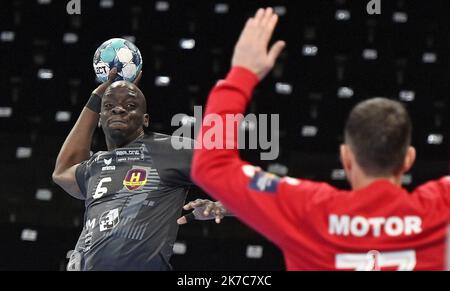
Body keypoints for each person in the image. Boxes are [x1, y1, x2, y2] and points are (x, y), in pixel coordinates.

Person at [191, 7, 450, 270]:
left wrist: (241, 73)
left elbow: (211, 165)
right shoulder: (441, 207)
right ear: (408, 159)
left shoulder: (307, 209)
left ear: (346, 156)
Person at [52, 68, 228, 271]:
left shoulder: (172, 149)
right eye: (109, 106)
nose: (119, 109)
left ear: (145, 119)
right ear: (100, 119)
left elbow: (242, 178)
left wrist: (225, 206)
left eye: (130, 105)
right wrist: (97, 95)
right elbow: (62, 171)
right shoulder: (96, 164)